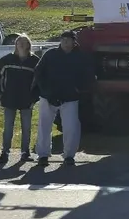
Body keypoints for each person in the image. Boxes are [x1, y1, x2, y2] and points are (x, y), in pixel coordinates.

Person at [34, 30, 94, 166]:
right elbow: (39, 72)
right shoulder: (50, 54)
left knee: (71, 126)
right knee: (44, 125)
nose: (65, 42)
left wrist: (80, 90)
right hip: (48, 96)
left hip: (70, 97)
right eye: (63, 39)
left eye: (68, 40)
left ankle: (69, 155)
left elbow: (88, 75)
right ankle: (43, 155)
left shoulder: (80, 57)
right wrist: (45, 91)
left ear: (74, 42)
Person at [0, 34, 40, 166]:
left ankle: (25, 153)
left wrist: (34, 98)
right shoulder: (6, 60)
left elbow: (39, 82)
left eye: (24, 42)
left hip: (27, 100)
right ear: (15, 45)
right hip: (9, 99)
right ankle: (5, 153)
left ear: (28, 45)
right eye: (19, 42)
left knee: (26, 128)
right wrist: (1, 94)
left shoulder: (34, 61)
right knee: (8, 127)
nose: (21, 44)